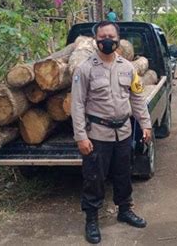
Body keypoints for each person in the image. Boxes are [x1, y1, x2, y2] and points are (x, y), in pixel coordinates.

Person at [71, 21, 152, 244]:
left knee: (124, 174)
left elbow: (137, 98)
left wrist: (145, 124)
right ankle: (92, 219)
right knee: (94, 178)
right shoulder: (85, 69)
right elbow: (77, 105)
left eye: (111, 36)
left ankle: (125, 210)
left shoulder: (128, 68)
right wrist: (81, 137)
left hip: (124, 132)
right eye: (102, 36)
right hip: (97, 134)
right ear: (96, 40)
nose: (107, 40)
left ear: (118, 39)